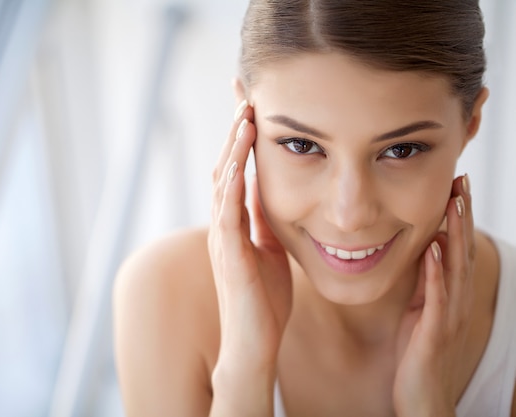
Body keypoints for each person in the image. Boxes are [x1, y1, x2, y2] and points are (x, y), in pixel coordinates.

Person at [113, 1, 516, 416]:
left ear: (471, 121)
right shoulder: (163, 297)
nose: (350, 214)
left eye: (401, 149)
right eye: (302, 145)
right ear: (244, 118)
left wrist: (428, 405)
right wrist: (243, 372)